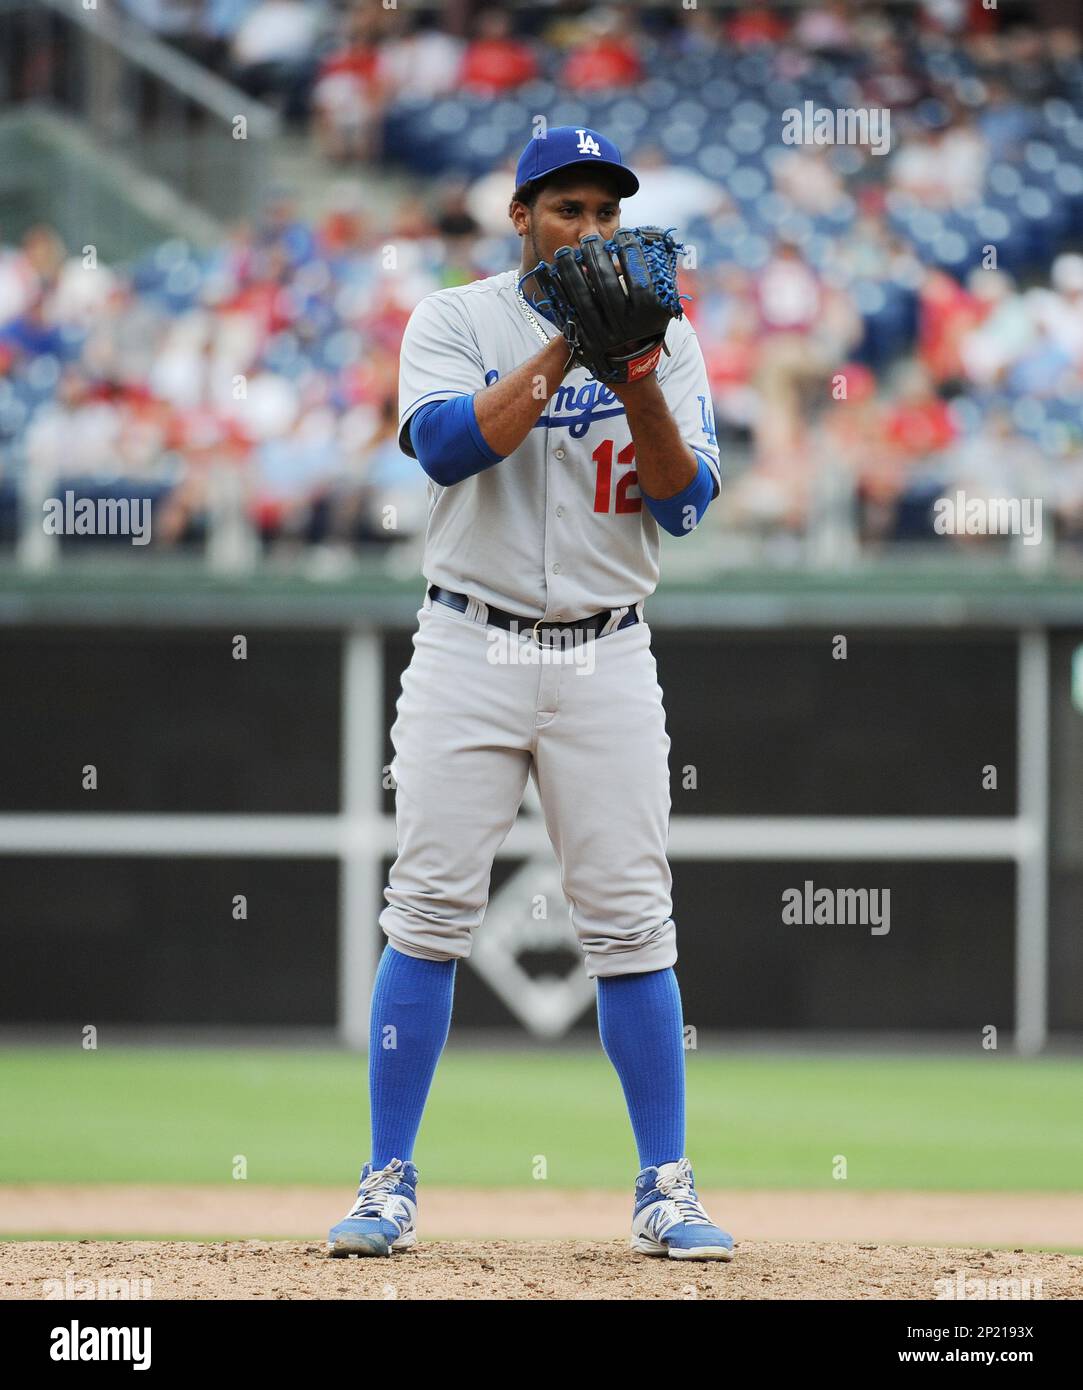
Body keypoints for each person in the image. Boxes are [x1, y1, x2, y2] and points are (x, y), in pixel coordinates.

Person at [328, 127, 733, 1264]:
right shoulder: (454, 320)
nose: (593, 232)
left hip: (607, 651)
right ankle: (389, 1176)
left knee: (631, 919)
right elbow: (451, 451)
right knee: (430, 906)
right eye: (569, 210)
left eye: (608, 213)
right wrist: (567, 345)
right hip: (470, 642)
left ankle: (665, 1183)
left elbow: (683, 504)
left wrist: (638, 370)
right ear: (521, 218)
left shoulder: (669, 336)